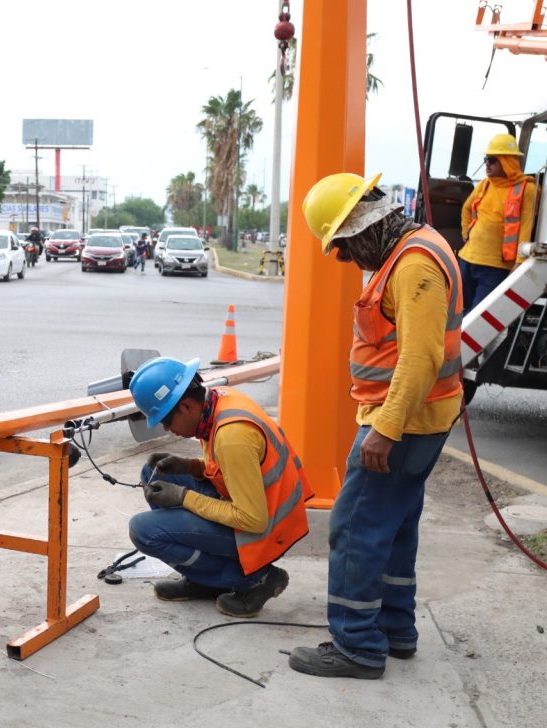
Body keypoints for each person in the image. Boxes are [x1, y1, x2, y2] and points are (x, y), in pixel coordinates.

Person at [293, 172, 464, 679]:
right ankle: (394, 629)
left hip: (404, 424)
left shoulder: (414, 264)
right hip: (418, 419)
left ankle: (357, 645)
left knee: (356, 529)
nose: (344, 258)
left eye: (343, 246)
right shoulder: (411, 250)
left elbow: (421, 356)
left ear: (364, 225)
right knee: (394, 527)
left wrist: (385, 429)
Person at [126, 357, 313, 618]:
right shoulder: (218, 401)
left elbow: (252, 519)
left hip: (266, 529)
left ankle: (255, 579)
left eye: (167, 421)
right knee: (153, 474)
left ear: (186, 406)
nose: (168, 430)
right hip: (257, 505)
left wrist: (184, 496)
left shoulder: (232, 437)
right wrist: (191, 467)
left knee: (144, 531)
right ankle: (205, 579)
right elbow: (231, 470)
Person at [458, 134, 537, 314]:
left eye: (492, 160)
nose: (487, 164)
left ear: (507, 161)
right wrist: (465, 233)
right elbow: (467, 208)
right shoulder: (484, 185)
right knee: (458, 312)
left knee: (478, 316)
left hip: (495, 267)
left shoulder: (527, 189)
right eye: (486, 159)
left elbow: (526, 226)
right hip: (467, 259)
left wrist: (520, 262)